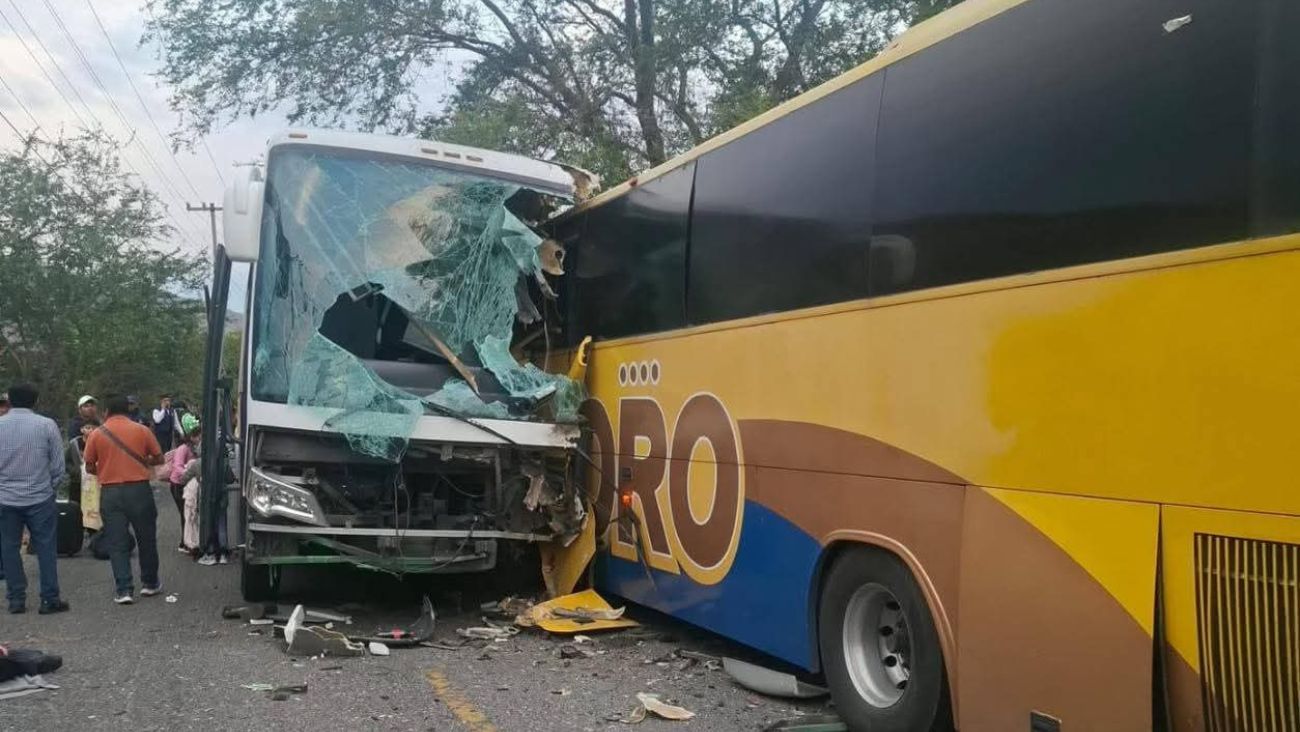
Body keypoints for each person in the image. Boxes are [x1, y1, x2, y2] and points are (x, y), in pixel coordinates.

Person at [83, 395, 164, 605]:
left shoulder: (97, 435)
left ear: (106, 412)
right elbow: (159, 458)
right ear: (128, 411)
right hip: (139, 490)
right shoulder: (142, 430)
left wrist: (106, 468)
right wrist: (142, 461)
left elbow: (89, 465)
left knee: (117, 542)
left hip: (110, 493)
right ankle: (150, 583)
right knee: (146, 538)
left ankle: (123, 589)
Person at [0, 384, 71, 615]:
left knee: (9, 548)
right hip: (40, 497)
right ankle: (49, 599)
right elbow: (59, 466)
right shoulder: (46, 425)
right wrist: (49, 488)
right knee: (46, 548)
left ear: (9, 400)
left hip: (5, 498)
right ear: (35, 401)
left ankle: (16, 599)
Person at [168, 414, 201, 554]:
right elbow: (177, 467)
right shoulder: (183, 449)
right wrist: (190, 471)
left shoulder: (194, 447)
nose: (199, 437)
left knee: (190, 513)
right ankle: (185, 542)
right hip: (178, 484)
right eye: (197, 435)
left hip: (187, 483)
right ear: (190, 435)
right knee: (185, 514)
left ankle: (188, 540)